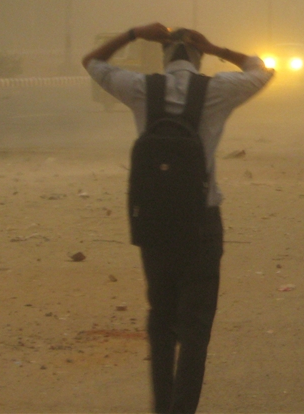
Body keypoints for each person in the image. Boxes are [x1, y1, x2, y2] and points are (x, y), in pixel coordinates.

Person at [83, 23, 273, 413]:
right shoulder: (218, 90)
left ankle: (162, 406)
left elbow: (93, 62)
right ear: (199, 56)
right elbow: (262, 69)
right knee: (196, 327)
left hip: (154, 223)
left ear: (163, 53)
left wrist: (134, 34)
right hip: (201, 222)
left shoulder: (140, 89)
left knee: (161, 319)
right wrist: (218, 46)